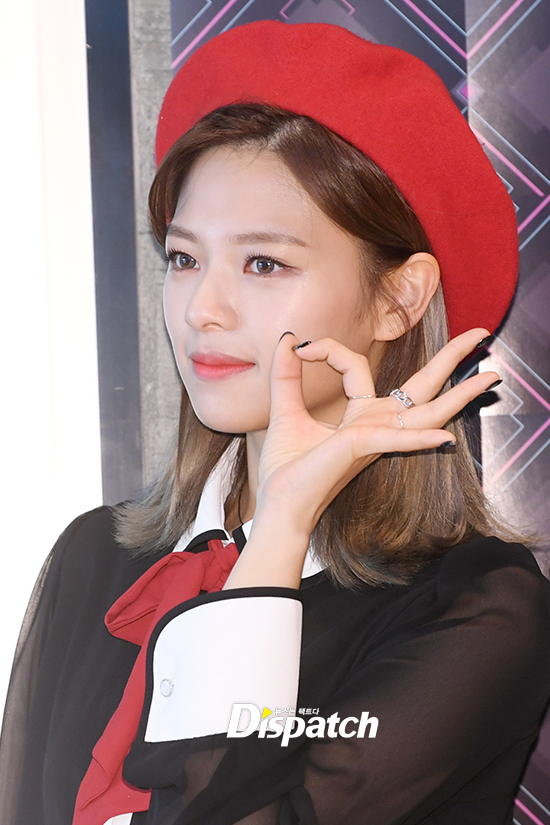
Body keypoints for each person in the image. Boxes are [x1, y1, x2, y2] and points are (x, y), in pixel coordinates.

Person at [1, 19, 550, 825]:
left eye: (264, 263)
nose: (203, 308)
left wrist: (282, 527)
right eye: (184, 258)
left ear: (398, 299)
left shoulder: (474, 604)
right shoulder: (96, 555)